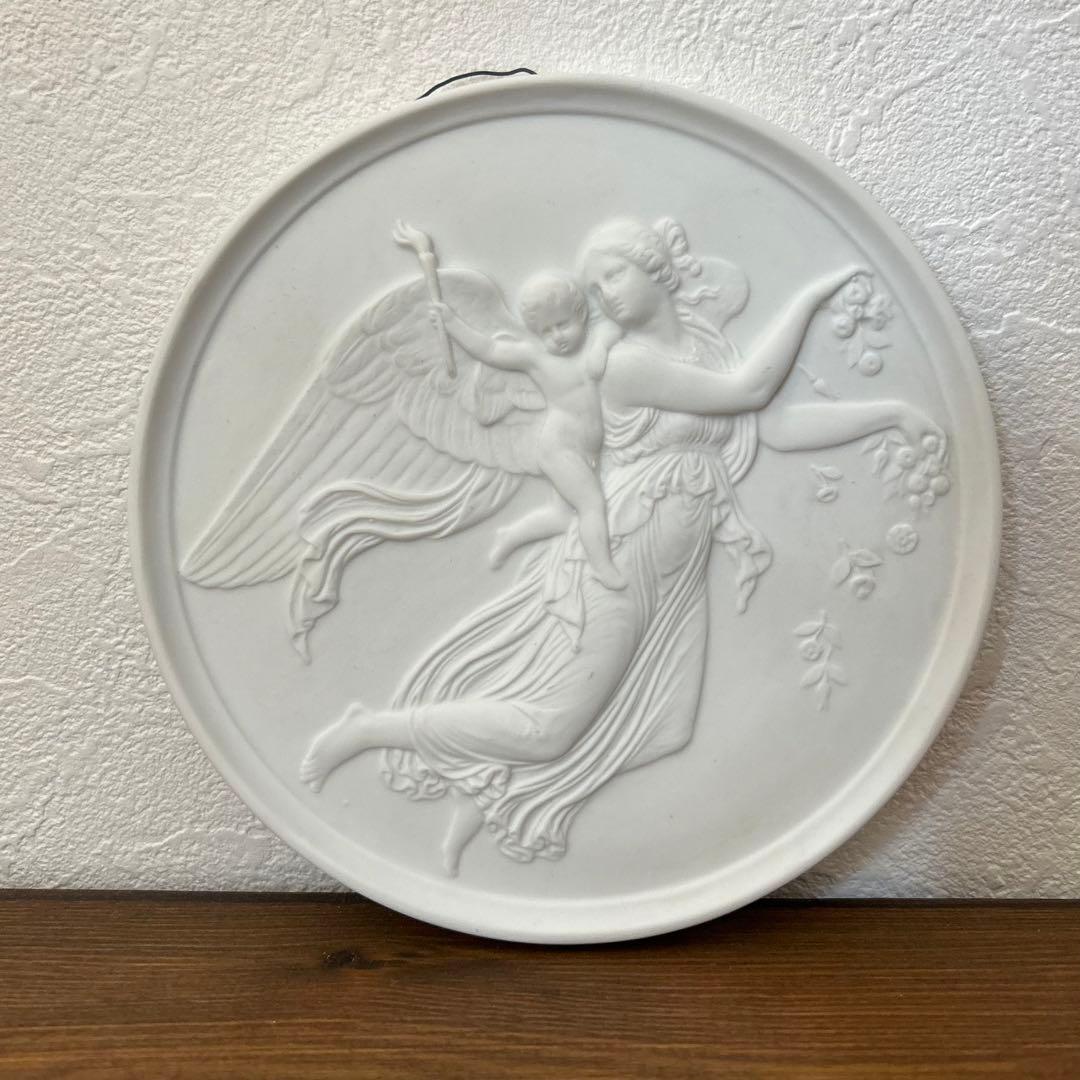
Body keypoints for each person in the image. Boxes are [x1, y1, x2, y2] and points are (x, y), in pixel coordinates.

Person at [301, 217, 942, 876]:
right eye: (595, 285)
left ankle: (493, 790)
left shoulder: (705, 347)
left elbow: (774, 424)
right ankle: (369, 730)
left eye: (611, 274)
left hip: (676, 566)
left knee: (667, 729)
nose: (602, 294)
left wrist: (887, 414)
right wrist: (807, 299)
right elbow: (750, 389)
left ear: (654, 267)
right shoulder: (626, 365)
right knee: (551, 728)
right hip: (628, 546)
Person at [429, 271, 625, 590]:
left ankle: (509, 536)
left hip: (588, 449)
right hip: (560, 447)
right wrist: (452, 323)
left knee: (563, 515)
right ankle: (603, 569)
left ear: (581, 314)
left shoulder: (593, 343)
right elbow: (490, 349)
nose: (557, 336)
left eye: (562, 324)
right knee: (591, 504)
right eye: (546, 331)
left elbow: (616, 326)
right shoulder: (535, 357)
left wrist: (602, 346)